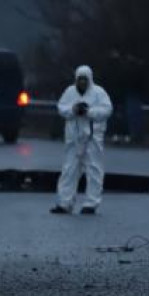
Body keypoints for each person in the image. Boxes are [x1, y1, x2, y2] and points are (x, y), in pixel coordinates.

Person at [52, 65, 113, 215]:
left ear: (90, 79)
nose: (82, 83)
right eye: (80, 80)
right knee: (69, 170)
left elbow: (107, 110)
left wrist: (89, 112)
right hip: (74, 139)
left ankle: (91, 203)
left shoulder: (99, 93)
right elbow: (61, 107)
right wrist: (73, 110)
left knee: (94, 170)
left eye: (85, 80)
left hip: (92, 139)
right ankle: (64, 203)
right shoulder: (70, 92)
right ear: (76, 79)